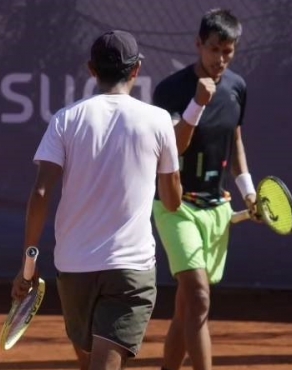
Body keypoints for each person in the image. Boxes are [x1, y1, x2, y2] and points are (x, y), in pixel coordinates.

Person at [11, 30, 183, 370]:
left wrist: (28, 265)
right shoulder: (160, 121)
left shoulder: (65, 119)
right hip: (129, 270)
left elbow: (41, 192)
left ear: (92, 70)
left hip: (74, 269)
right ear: (136, 71)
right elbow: (172, 201)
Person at [151, 9, 259, 370]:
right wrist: (198, 103)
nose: (221, 59)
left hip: (218, 210)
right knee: (198, 294)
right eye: (215, 50)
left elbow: (236, 142)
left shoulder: (237, 88)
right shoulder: (170, 90)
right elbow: (174, 148)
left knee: (187, 307)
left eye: (229, 51)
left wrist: (249, 193)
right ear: (198, 45)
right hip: (175, 205)